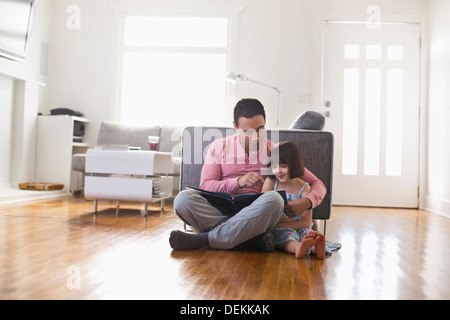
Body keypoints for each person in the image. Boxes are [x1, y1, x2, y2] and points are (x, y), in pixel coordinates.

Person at [169, 98, 326, 251]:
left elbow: (317, 184)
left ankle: (205, 239)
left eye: (260, 129)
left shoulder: (274, 150)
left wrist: (307, 202)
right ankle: (249, 239)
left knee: (275, 199)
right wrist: (238, 182)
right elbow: (206, 185)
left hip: (257, 214)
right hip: (220, 210)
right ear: (235, 127)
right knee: (182, 200)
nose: (255, 137)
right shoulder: (219, 146)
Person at [262, 141, 327, 258]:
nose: (278, 171)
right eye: (275, 166)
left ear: (294, 165)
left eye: (283, 166)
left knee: (307, 234)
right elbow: (262, 208)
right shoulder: (271, 182)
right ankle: (299, 248)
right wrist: (282, 224)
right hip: (280, 228)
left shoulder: (305, 189)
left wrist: (289, 224)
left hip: (299, 227)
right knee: (288, 237)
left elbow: (306, 222)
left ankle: (315, 247)